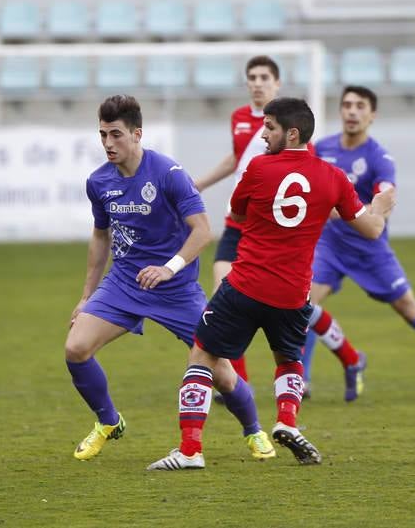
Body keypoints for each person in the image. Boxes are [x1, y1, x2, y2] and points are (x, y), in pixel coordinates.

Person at [147, 97, 395, 470]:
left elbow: (239, 213)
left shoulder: (259, 169)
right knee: (289, 360)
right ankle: (287, 422)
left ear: (291, 133)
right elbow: (373, 229)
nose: (263, 134)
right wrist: (380, 205)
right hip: (294, 294)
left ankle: (190, 449)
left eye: (270, 128)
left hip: (246, 284)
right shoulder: (333, 178)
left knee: (202, 355)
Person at [66, 94, 276, 463]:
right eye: (102, 135)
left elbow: (203, 231)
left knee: (223, 375)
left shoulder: (169, 174)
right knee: (75, 349)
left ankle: (253, 431)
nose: (108, 144)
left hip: (176, 289)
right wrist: (86, 295)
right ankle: (108, 422)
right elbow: (101, 236)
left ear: (137, 134)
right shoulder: (98, 182)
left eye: (116, 134)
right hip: (124, 284)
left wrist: (169, 268)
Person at [300, 86, 415, 401]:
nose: (352, 111)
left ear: (372, 115)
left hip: (370, 248)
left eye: (360, 106)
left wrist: (346, 212)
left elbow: (386, 199)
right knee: (303, 305)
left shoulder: (379, 158)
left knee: (409, 309)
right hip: (330, 245)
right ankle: (303, 379)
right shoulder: (321, 149)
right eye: (347, 105)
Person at [194, 55, 288, 386]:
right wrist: (201, 183)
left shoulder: (288, 119)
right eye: (253, 77)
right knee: (223, 292)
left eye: (265, 77)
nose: (258, 83)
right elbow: (238, 157)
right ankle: (238, 383)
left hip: (271, 228)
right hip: (238, 222)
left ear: (277, 83)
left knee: (288, 304)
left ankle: (344, 356)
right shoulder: (239, 118)